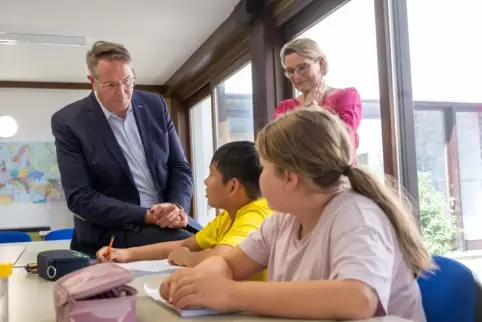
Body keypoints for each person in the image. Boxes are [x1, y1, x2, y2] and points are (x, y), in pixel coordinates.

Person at [160, 104, 433, 322]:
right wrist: (199, 280)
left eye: (264, 168)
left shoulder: (357, 215)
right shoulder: (286, 218)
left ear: (289, 178)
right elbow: (231, 263)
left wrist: (230, 293)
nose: (260, 176)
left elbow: (358, 298)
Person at [51, 41, 202, 257]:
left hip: (167, 222)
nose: (122, 92)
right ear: (92, 81)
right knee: (197, 249)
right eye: (110, 85)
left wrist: (176, 207)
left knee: (218, 241)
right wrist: (147, 215)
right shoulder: (69, 122)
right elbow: (80, 198)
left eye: (127, 81)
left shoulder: (155, 105)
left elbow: (180, 168)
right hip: (115, 229)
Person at [96, 141, 273, 280]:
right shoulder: (228, 216)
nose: (205, 181)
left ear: (232, 186)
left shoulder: (255, 215)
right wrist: (125, 254)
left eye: (211, 174)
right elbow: (183, 245)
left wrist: (187, 258)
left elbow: (222, 259)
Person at [274, 37, 362, 162]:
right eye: (290, 71)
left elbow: (341, 140)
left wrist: (311, 107)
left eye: (302, 67)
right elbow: (278, 151)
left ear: (321, 63)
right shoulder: (284, 107)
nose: (296, 76)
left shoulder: (347, 96)